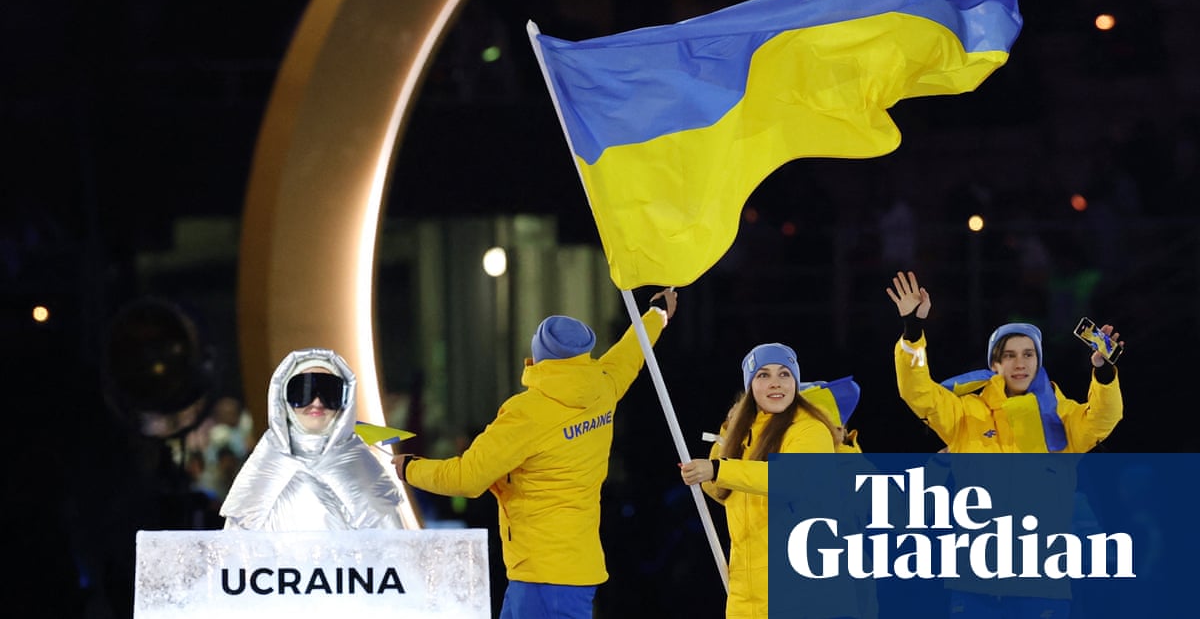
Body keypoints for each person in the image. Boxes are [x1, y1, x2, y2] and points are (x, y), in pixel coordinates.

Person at [393, 289, 677, 619]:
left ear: (537, 353)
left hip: (541, 577)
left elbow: (467, 478)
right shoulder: (602, 386)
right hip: (567, 570)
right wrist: (657, 314)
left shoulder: (527, 413)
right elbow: (632, 350)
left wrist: (408, 468)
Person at [885, 270, 1125, 616]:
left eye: (1028, 354)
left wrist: (1103, 372)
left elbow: (1104, 419)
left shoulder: (1063, 418)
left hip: (1042, 583)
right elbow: (917, 392)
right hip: (974, 583)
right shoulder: (966, 414)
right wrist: (912, 332)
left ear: (1038, 361)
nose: (1020, 363)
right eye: (1009, 355)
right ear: (994, 364)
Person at [679, 342, 873, 619]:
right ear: (749, 387)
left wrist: (717, 468)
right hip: (747, 595)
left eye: (784, 374)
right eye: (763, 375)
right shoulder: (743, 434)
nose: (775, 383)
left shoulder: (811, 430)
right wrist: (708, 462)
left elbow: (794, 479)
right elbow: (726, 493)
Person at [220, 348, 405, 530]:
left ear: (345, 399)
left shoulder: (361, 469)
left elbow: (391, 551)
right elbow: (235, 550)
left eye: (329, 391)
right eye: (302, 392)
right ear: (282, 396)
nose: (317, 402)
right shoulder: (264, 467)